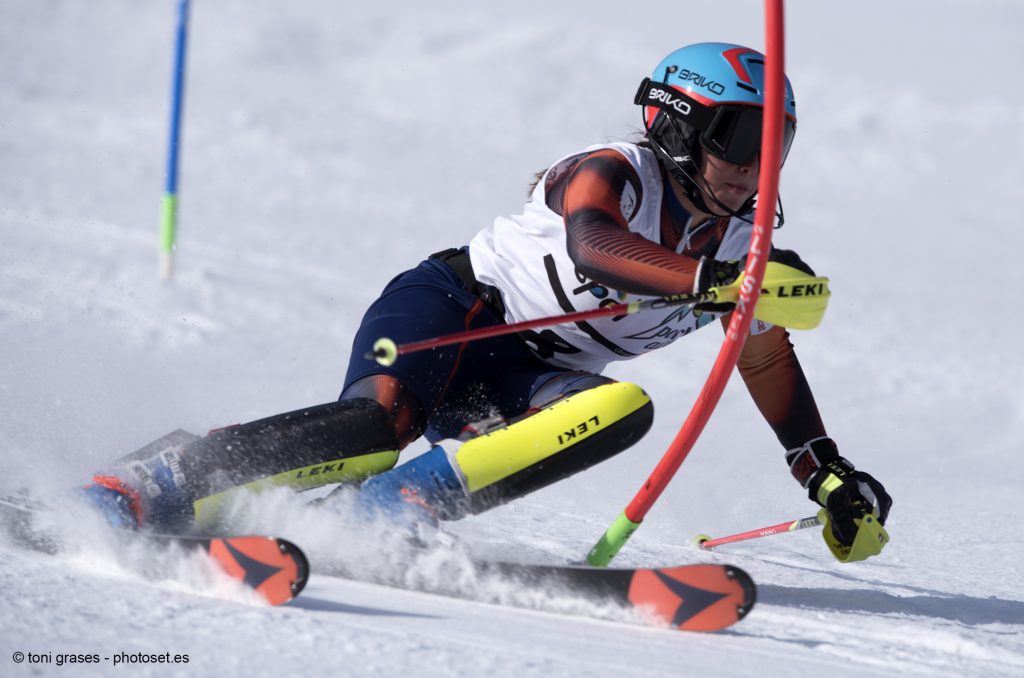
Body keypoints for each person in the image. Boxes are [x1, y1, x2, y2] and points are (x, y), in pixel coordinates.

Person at [84, 42, 891, 561]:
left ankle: (379, 513)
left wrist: (825, 474)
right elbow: (593, 244)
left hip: (527, 376)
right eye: (740, 140)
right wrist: (711, 282)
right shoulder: (614, 170)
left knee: (621, 408)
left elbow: (765, 359)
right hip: (455, 313)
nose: (755, 169)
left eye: (775, 146)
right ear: (678, 126)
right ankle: (149, 482)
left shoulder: (743, 246)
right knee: (377, 428)